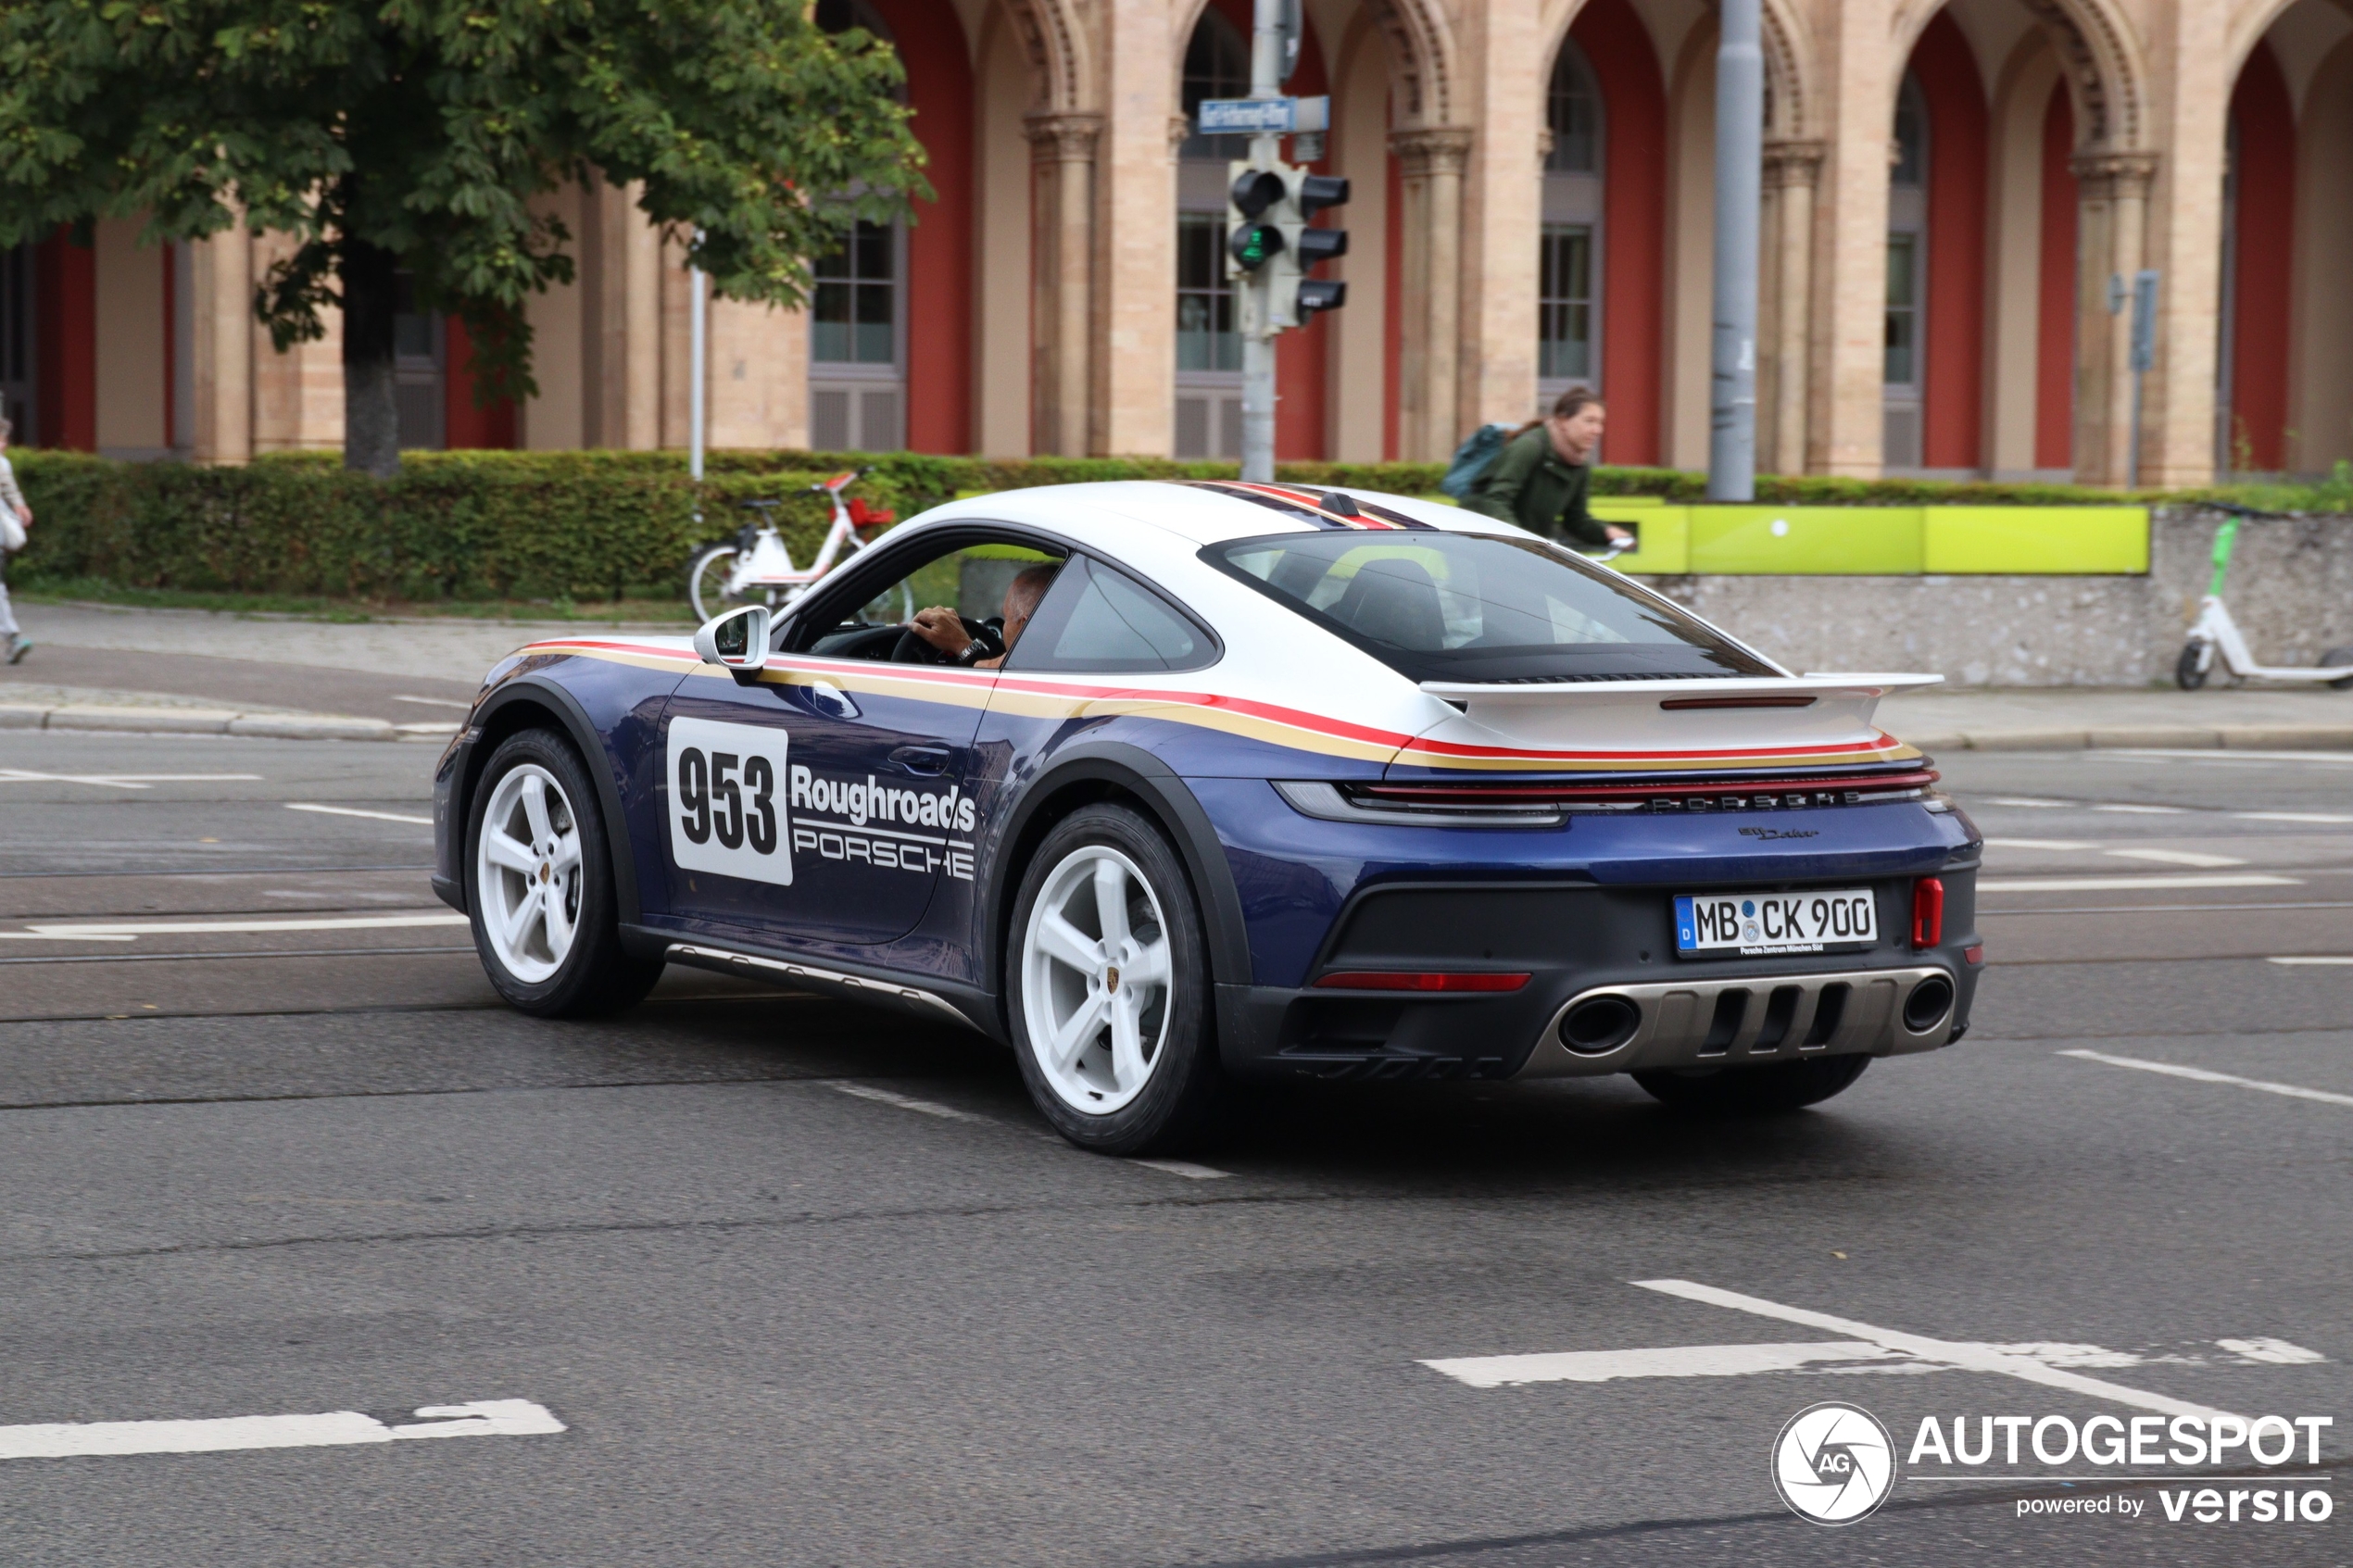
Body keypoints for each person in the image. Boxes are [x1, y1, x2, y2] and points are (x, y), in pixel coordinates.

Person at [1460, 386, 1634, 551]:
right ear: (1563, 421)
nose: (1597, 430)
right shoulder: (1530, 446)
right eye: (1589, 421)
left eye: (1600, 423)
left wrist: (1606, 533)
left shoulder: (1579, 463)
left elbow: (1576, 520)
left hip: (1525, 547)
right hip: (1482, 541)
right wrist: (1520, 542)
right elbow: (1496, 499)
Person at [908, 561, 1060, 669]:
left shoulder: (1030, 665)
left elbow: (998, 667)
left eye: (1006, 618)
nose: (1004, 625)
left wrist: (960, 644)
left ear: (1025, 627)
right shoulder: (1070, 658)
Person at [0, 417, 30, 665]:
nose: (3, 444)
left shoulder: (2, 464)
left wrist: (19, 505)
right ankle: (13, 638)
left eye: (4, 439)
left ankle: (13, 638)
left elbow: (9, 487)